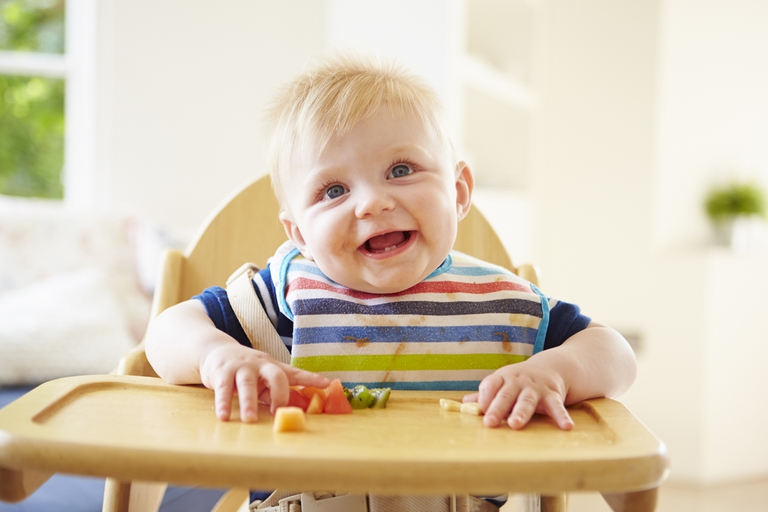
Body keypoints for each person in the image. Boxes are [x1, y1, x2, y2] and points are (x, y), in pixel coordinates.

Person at [145, 54, 636, 436]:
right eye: (334, 191)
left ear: (459, 192)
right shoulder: (282, 299)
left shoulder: (500, 305)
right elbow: (167, 332)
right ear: (299, 236)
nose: (372, 203)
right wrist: (216, 355)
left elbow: (614, 353)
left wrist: (556, 370)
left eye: (401, 170)